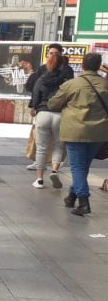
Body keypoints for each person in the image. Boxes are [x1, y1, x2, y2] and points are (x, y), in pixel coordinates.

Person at [47, 53, 108, 216]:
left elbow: (53, 103)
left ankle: (83, 201)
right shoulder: (105, 84)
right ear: (98, 65)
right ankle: (72, 196)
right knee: (83, 166)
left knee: (77, 166)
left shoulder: (72, 84)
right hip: (99, 132)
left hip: (76, 131)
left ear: (82, 65)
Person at [29, 48, 69, 189]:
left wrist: (34, 108)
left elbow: (35, 95)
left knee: (41, 148)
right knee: (59, 145)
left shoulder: (42, 78)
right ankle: (54, 170)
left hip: (43, 113)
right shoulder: (66, 80)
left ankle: (39, 180)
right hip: (59, 114)